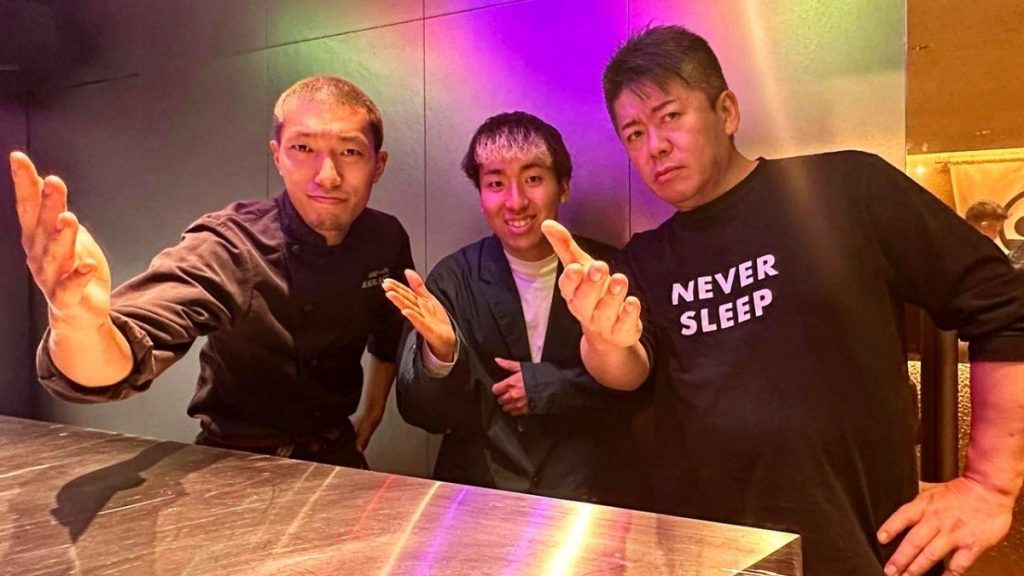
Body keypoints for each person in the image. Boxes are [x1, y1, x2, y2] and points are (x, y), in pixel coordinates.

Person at [540, 26, 1024, 576]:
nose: (655, 146)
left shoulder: (847, 189)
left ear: (726, 111)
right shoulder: (645, 259)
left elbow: (1001, 305)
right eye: (633, 133)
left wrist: (990, 485)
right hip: (713, 558)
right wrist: (602, 336)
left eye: (670, 116)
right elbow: (627, 370)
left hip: (865, 548)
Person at [9, 75, 414, 468]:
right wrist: (79, 323)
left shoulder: (386, 239)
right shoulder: (231, 244)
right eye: (303, 147)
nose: (327, 176)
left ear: (377, 165)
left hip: (336, 453)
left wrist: (373, 411)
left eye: (350, 152)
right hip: (236, 458)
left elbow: (389, 333)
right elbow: (124, 352)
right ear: (277, 156)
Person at [382, 111, 645, 504]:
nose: (516, 201)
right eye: (495, 183)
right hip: (478, 497)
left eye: (533, 179)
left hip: (590, 496)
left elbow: (646, 393)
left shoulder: (607, 273)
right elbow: (424, 416)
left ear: (563, 186)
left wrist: (550, 386)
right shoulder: (453, 278)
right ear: (481, 195)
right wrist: (441, 356)